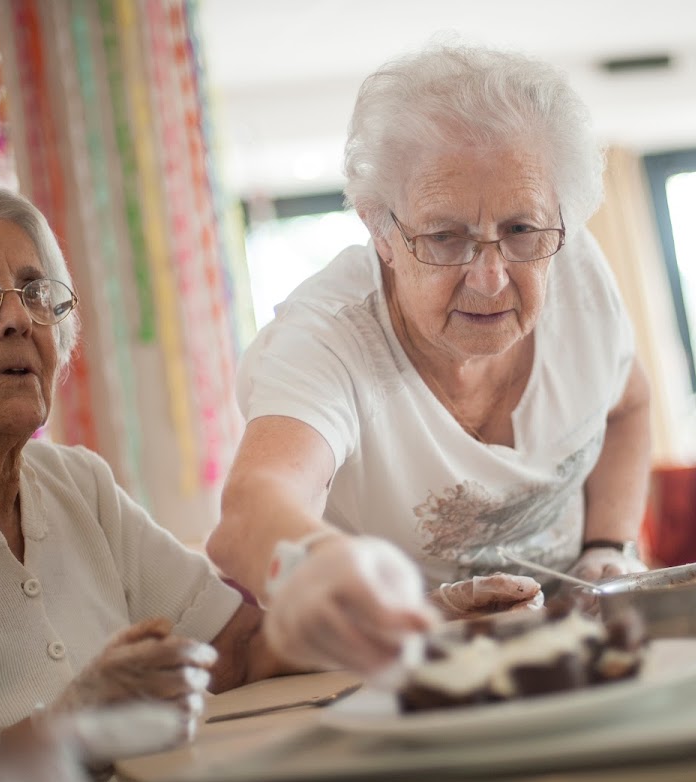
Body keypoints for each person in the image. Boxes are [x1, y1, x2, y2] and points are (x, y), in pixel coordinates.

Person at [206, 44, 653, 673]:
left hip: (583, 641)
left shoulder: (576, 273)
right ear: (381, 232)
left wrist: (609, 545)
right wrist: (324, 570)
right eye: (445, 237)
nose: (492, 278)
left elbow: (629, 404)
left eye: (521, 230)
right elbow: (249, 514)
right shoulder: (329, 338)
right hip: (410, 663)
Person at [0, 185, 286, 782]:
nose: (18, 319)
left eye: (35, 293)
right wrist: (61, 736)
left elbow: (238, 646)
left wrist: (404, 619)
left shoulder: (78, 483)